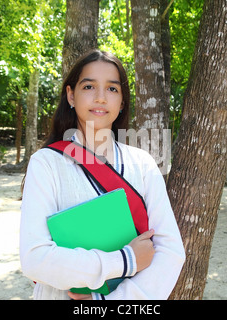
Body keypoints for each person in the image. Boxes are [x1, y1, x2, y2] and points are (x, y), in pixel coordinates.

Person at [19, 49, 185, 300]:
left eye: (112, 89)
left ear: (122, 102)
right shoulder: (46, 163)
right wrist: (125, 260)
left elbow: (170, 252)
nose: (100, 98)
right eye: (88, 87)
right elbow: (35, 258)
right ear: (71, 96)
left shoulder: (142, 164)